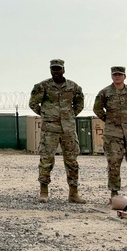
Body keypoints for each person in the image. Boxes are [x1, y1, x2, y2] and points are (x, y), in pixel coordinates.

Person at [29, 59, 85, 203]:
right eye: (53, 69)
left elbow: (79, 104)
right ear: (50, 70)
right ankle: (43, 191)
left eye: (58, 69)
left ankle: (73, 193)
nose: (56, 71)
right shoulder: (42, 86)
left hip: (68, 129)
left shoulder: (73, 87)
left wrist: (70, 115)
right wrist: (46, 114)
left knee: (72, 160)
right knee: (46, 159)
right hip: (50, 129)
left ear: (63, 70)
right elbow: (33, 103)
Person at [93, 66, 127, 199]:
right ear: (112, 76)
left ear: (124, 76)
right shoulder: (105, 93)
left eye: (120, 74)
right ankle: (114, 192)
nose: (117, 76)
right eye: (115, 74)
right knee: (113, 163)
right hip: (113, 133)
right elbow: (97, 108)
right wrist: (109, 120)